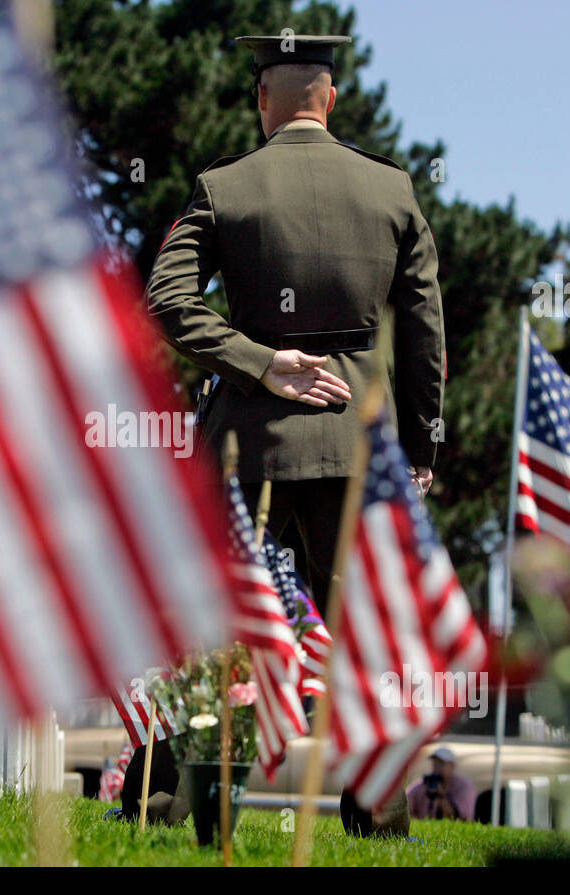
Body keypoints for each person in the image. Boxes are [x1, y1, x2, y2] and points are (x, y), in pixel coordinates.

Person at [144, 33, 446, 834]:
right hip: (358, 440)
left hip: (250, 438)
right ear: (331, 99)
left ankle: (183, 802)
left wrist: (257, 359)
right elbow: (423, 334)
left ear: (262, 101)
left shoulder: (223, 186)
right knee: (361, 626)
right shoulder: (391, 189)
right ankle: (378, 807)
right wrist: (419, 450)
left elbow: (168, 299)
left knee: (217, 621)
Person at [406, 747, 476, 821]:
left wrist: (440, 796)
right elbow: (405, 808)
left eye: (441, 764)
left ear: (452, 766)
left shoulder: (464, 786)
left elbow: (458, 818)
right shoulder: (422, 785)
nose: (437, 767)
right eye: (435, 763)